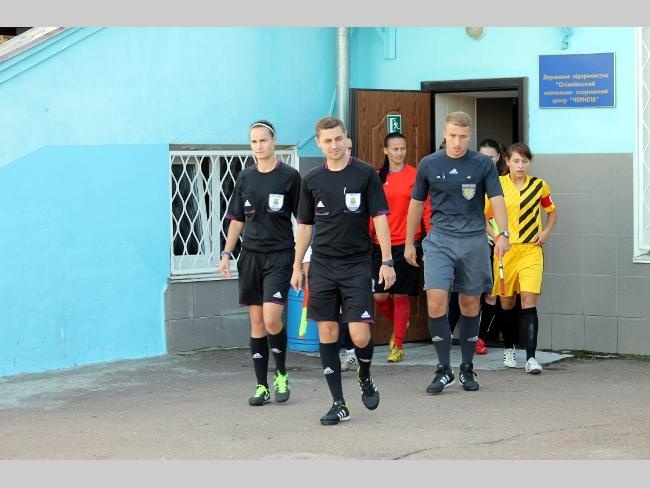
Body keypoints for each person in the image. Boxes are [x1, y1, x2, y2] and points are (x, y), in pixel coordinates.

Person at [291, 115, 396, 425]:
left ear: (346, 138)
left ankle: (364, 374)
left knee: (360, 335)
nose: (334, 145)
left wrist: (387, 261)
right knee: (327, 332)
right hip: (322, 265)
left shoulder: (365, 173)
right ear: (319, 144)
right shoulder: (311, 179)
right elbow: (305, 226)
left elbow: (380, 218)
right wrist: (297, 265)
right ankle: (338, 403)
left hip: (356, 265)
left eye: (338, 138)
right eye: (327, 141)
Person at [405, 111, 509, 394]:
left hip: (473, 240)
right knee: (436, 300)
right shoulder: (429, 164)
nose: (457, 142)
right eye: (452, 135)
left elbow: (497, 199)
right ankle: (443, 369)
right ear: (444, 134)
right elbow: (416, 204)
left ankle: (466, 368)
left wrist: (503, 233)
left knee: (470, 304)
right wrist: (409, 242)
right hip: (439, 240)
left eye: (463, 136)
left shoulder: (482, 164)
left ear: (470, 135)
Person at [219, 120, 301, 406]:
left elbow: (304, 220)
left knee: (271, 318)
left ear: (273, 140)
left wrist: (302, 260)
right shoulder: (245, 177)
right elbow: (237, 219)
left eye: (263, 140)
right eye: (253, 142)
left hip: (280, 255)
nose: (258, 146)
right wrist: (227, 253)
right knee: (256, 322)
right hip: (250, 257)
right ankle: (262, 386)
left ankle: (281, 374)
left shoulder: (290, 176)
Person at [485, 142, 557, 374]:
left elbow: (551, 211)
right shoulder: (497, 185)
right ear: (507, 161)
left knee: (528, 299)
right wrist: (497, 237)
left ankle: (531, 358)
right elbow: (483, 216)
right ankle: (509, 349)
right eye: (516, 161)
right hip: (505, 252)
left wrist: (546, 232)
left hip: (530, 250)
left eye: (524, 161)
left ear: (530, 162)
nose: (520, 165)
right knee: (506, 302)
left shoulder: (539, 185)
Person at [370, 131, 431, 363]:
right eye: (395, 149)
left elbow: (425, 208)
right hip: (381, 244)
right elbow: (371, 210)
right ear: (386, 150)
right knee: (380, 295)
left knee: (400, 294)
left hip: (407, 244)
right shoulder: (377, 176)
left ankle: (398, 345)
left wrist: (430, 238)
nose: (399, 153)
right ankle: (400, 323)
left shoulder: (415, 175)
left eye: (402, 148)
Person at [303, 137, 358, 373]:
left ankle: (353, 352)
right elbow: (307, 225)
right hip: (322, 259)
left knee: (352, 317)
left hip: (355, 259)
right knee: (329, 316)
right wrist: (303, 260)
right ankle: (334, 359)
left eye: (344, 145)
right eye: (329, 142)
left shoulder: (361, 178)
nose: (338, 148)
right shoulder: (316, 180)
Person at [475, 138, 509, 355]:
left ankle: (481, 338)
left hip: (499, 245)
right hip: (477, 242)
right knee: (471, 292)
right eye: (483, 156)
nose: (487, 160)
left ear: (498, 158)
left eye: (491, 157)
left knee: (492, 293)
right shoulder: (472, 179)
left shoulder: (504, 182)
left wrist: (500, 237)